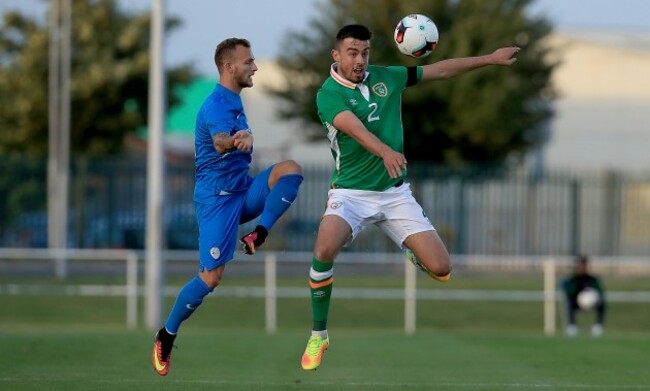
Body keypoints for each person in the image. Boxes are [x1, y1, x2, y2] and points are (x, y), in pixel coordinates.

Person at [300, 24, 520, 370]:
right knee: (323, 248)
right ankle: (319, 334)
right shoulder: (328, 94)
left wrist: (490, 59)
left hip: (394, 193)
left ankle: (415, 255)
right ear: (337, 55)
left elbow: (441, 70)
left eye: (365, 53)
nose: (360, 60)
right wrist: (386, 151)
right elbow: (354, 130)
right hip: (351, 194)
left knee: (442, 268)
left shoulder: (387, 76)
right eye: (353, 53)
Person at [151, 38, 304, 376]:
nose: (255, 67)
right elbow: (220, 140)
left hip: (242, 192)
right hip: (217, 202)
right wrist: (236, 139)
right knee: (210, 278)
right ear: (229, 67)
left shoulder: (234, 99)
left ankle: (258, 233)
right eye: (248, 62)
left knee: (290, 170)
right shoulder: (217, 104)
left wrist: (243, 138)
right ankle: (166, 334)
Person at [562, 255, 606, 337]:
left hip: (592, 303)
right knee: (569, 301)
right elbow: (568, 291)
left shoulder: (592, 279)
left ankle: (598, 326)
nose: (582, 267)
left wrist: (593, 293)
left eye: (584, 265)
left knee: (602, 302)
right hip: (576, 303)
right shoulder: (573, 279)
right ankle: (572, 326)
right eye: (580, 265)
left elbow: (600, 290)